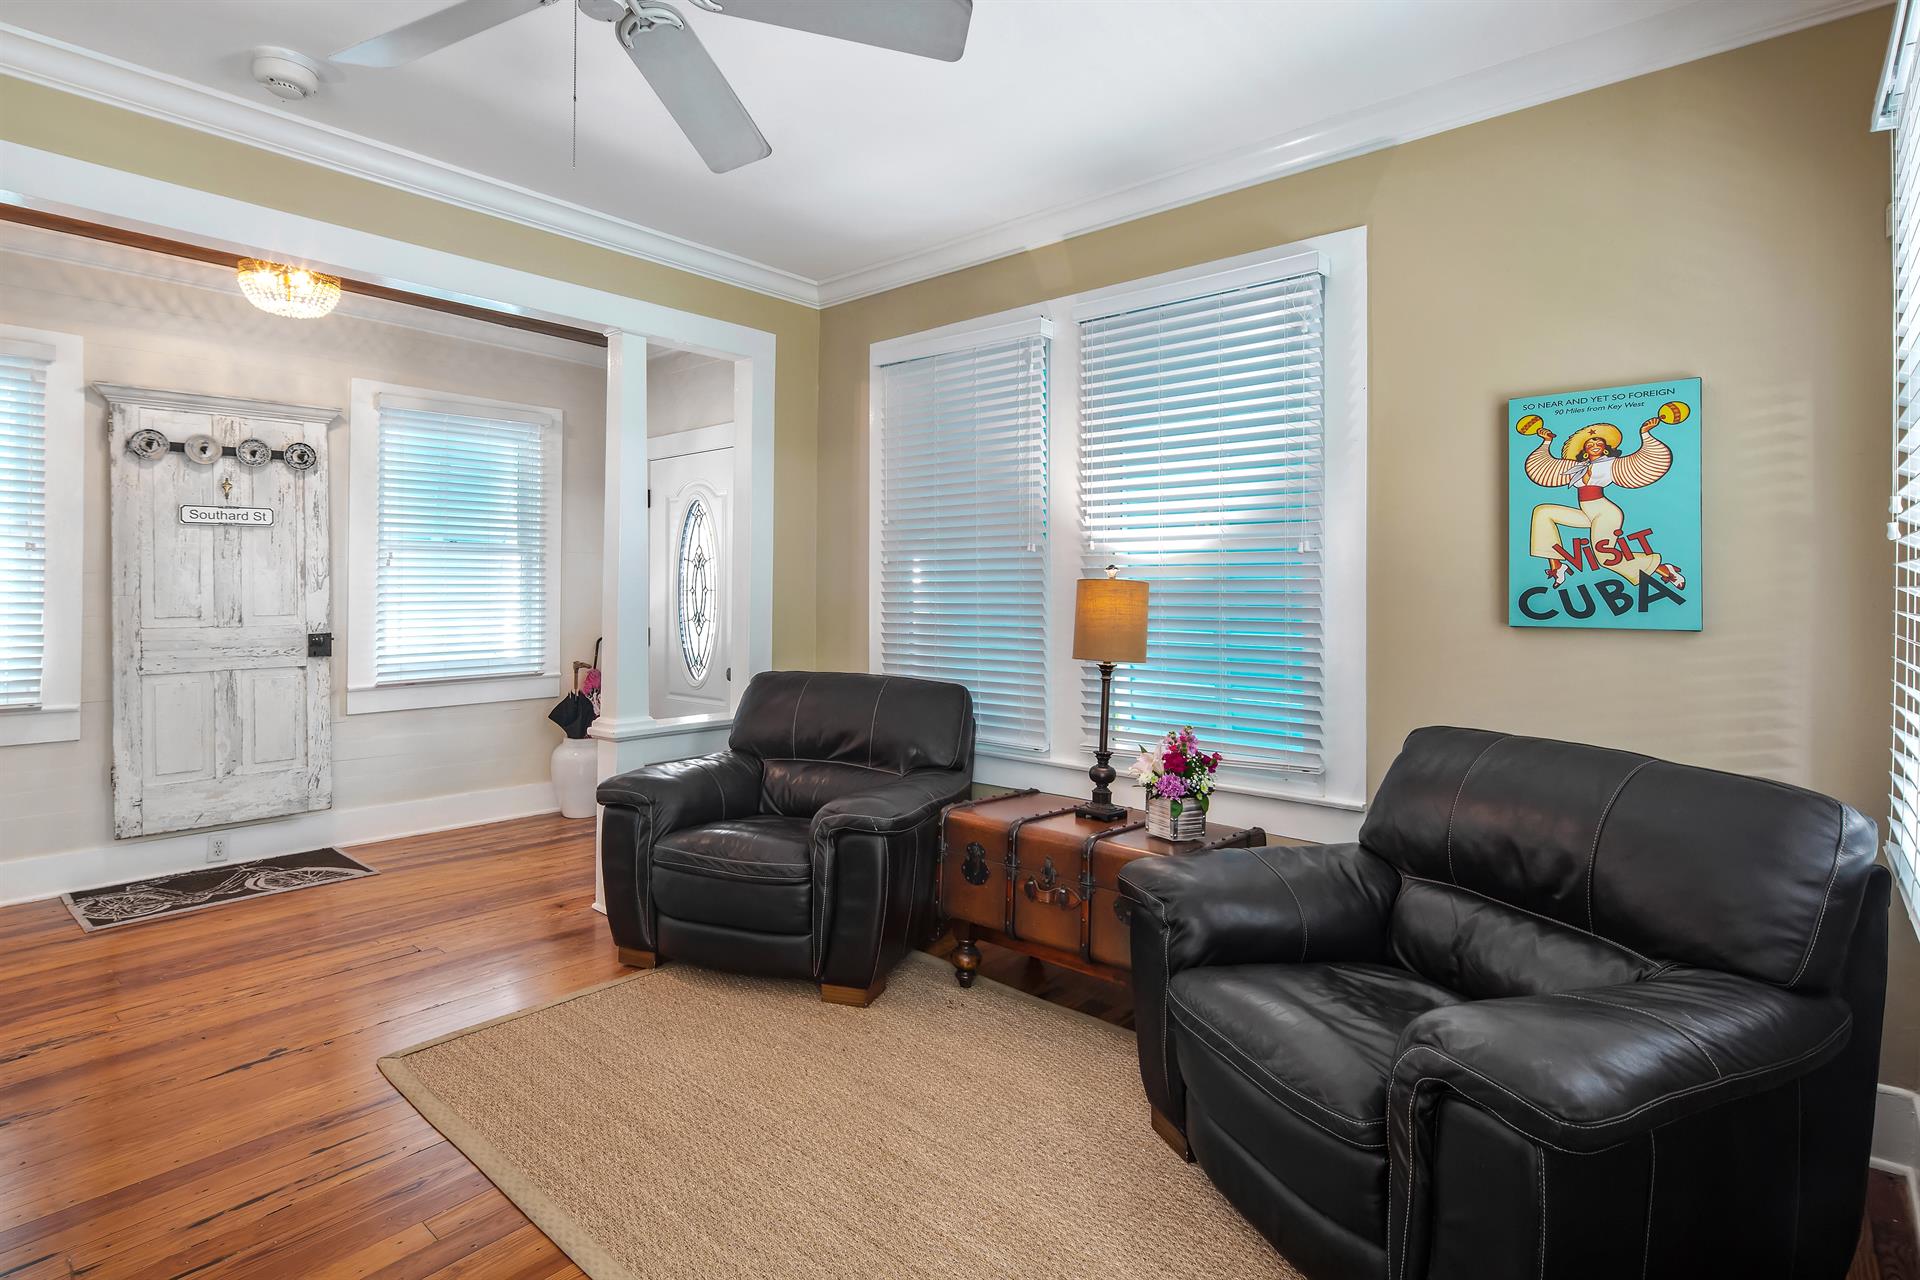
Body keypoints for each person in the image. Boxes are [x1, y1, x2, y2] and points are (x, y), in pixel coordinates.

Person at [1524, 416, 1687, 591]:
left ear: (1606, 448)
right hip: (1586, 512)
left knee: (1604, 558)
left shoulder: (1612, 463)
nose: (1594, 445)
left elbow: (1647, 461)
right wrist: (1547, 442)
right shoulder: (1575, 466)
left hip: (1605, 512)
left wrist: (1645, 434)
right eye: (1590, 444)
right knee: (1542, 512)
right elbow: (1542, 468)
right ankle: (1557, 566)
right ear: (1585, 449)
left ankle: (1663, 569)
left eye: (1598, 443)